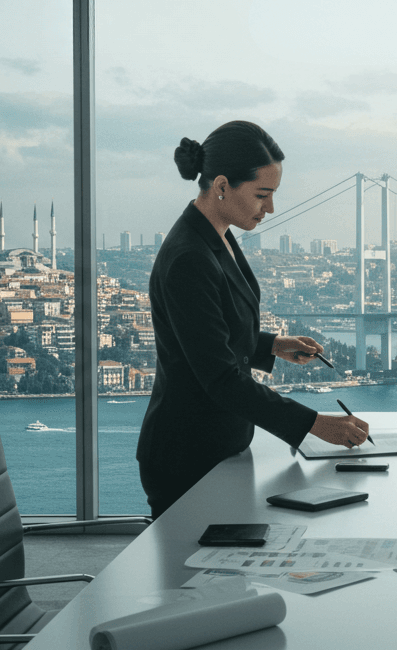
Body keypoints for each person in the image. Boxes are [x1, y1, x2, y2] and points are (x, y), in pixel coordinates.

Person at [137, 120, 368, 518]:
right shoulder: (190, 256)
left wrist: (273, 345)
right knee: (191, 578)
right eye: (263, 194)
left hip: (219, 446)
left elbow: (209, 331)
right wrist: (315, 424)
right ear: (223, 186)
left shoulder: (217, 234)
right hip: (187, 455)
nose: (271, 208)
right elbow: (220, 378)